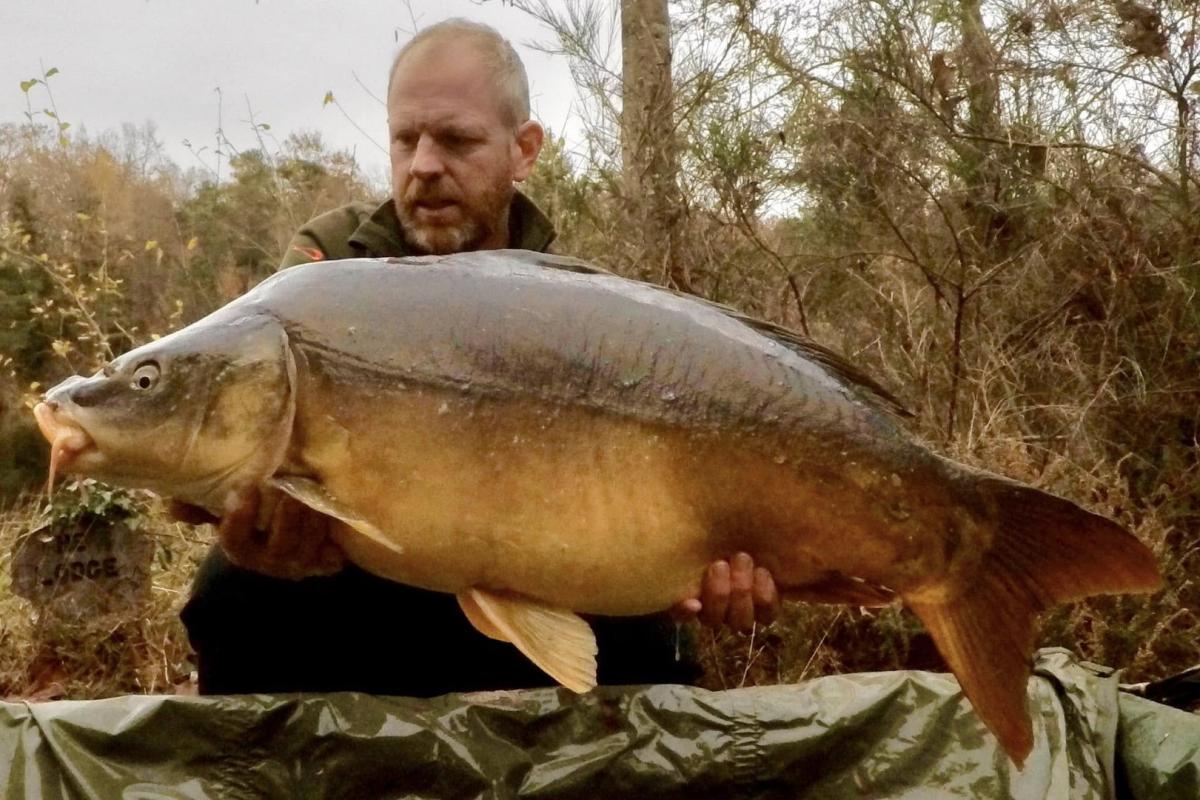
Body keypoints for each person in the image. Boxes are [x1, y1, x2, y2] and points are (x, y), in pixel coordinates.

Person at [178, 19, 779, 696]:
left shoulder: (577, 303)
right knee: (232, 589)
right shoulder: (328, 267)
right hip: (371, 575)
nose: (424, 165)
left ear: (523, 150)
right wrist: (243, 524)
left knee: (656, 640)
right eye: (406, 140)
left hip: (539, 569)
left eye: (456, 140)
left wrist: (673, 571)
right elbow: (228, 450)